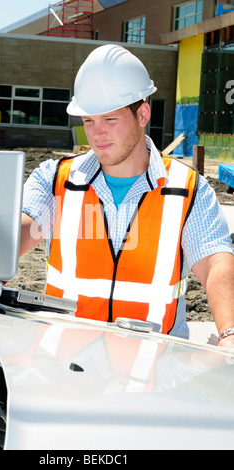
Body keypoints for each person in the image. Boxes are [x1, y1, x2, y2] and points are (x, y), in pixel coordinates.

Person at [20, 44, 234, 349]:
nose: (96, 134)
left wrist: (229, 333)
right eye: (89, 121)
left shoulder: (188, 190)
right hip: (63, 368)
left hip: (155, 372)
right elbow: (22, 229)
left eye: (110, 119)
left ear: (142, 113)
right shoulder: (55, 180)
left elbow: (215, 263)